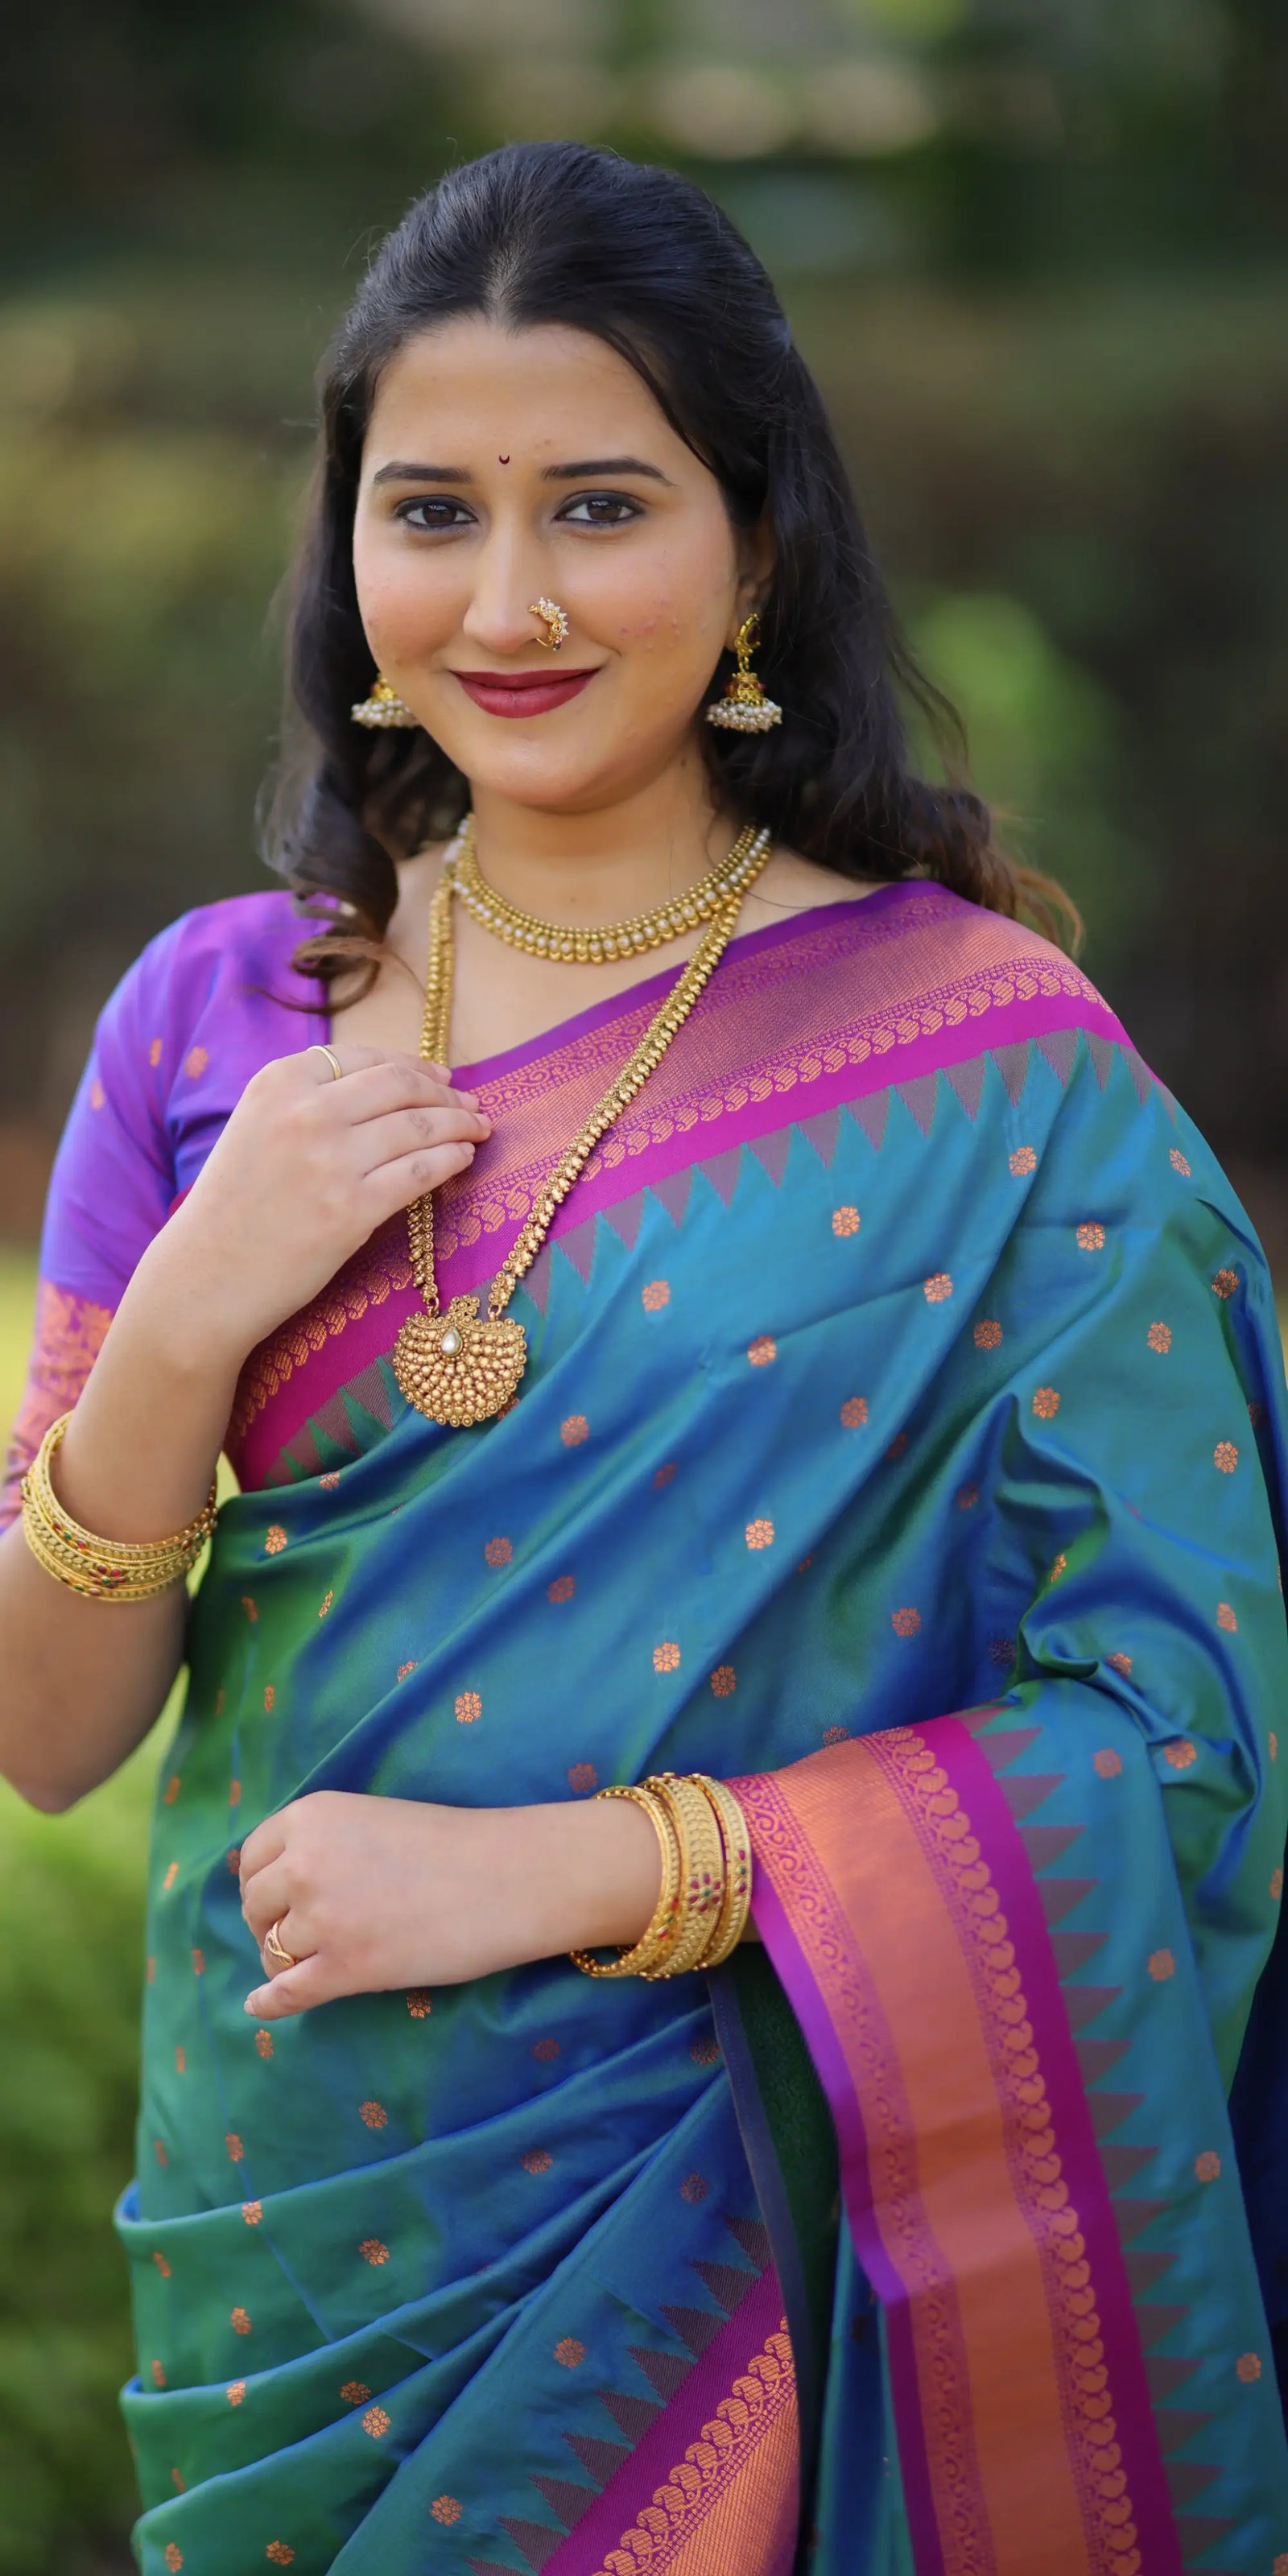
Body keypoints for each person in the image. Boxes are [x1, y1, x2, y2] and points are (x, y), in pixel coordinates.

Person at [2, 138, 1286, 2576]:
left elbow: (1187, 1746)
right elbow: (46, 1733)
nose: (505, 601)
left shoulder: (1003, 1080)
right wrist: (192, 1309)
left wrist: (578, 1871)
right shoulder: (213, 1026)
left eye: (600, 506)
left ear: (759, 544)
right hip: (284, 2243)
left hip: (766, 2233)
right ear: (349, 557)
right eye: (429, 512)